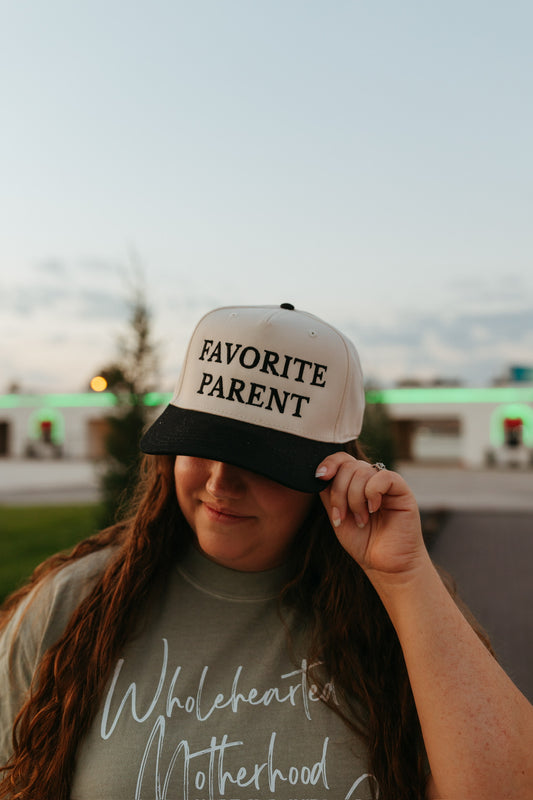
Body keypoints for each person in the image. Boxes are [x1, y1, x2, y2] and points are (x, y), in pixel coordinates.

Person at [0, 303, 532, 800]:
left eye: (261, 458)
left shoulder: (397, 621)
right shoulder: (73, 609)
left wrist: (406, 578)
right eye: (202, 445)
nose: (221, 481)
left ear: (332, 472)